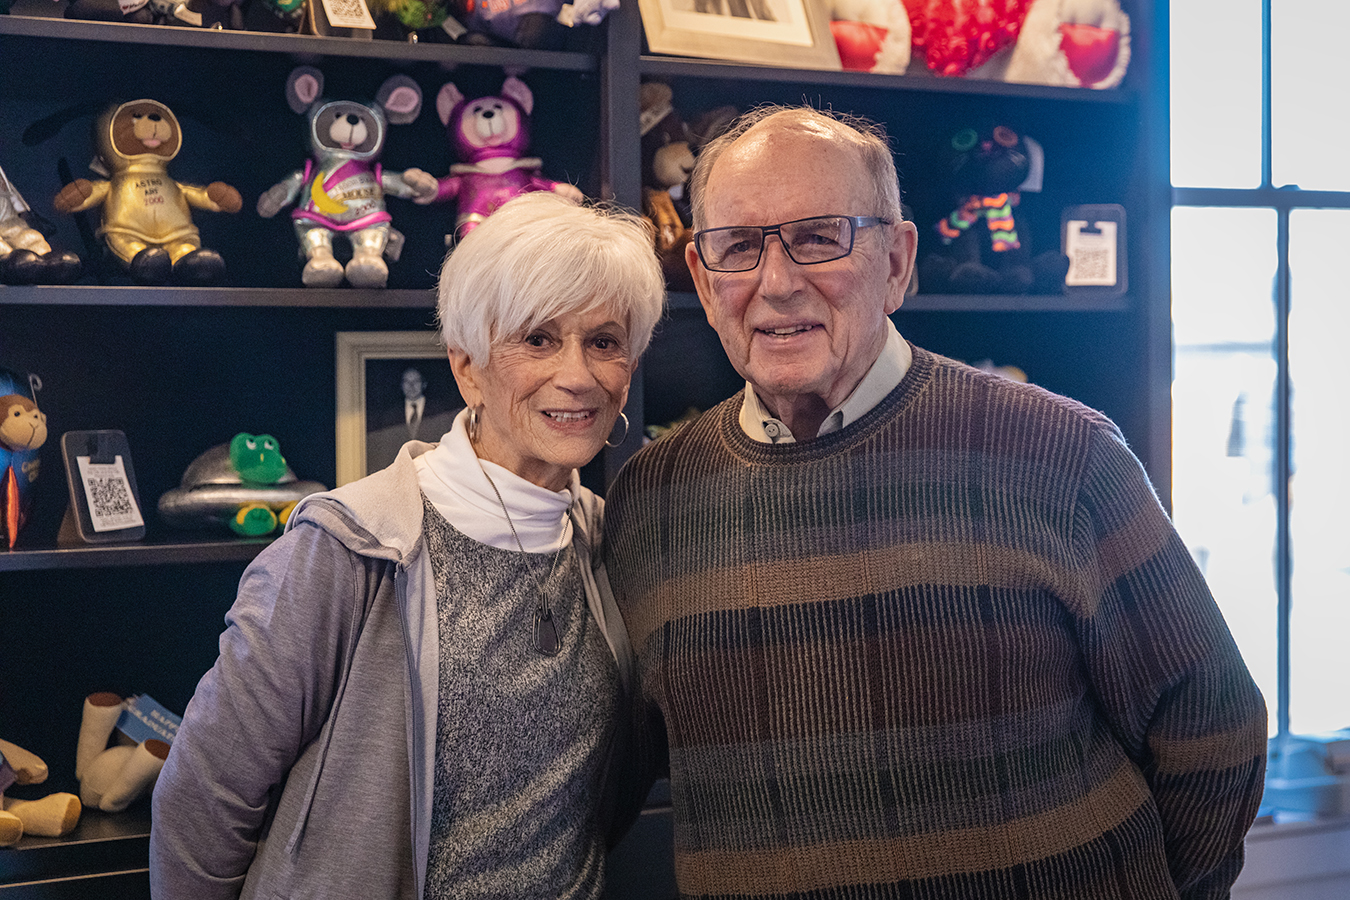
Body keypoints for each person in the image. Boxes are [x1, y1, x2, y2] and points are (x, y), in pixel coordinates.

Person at [603, 105, 1268, 899]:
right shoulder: (652, 499)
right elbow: (606, 775)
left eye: (819, 237)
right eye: (738, 248)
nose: (776, 284)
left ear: (897, 263)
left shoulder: (1062, 455)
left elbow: (1213, 725)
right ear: (706, 286)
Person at [150, 191, 666, 900]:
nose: (576, 375)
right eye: (537, 339)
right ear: (467, 366)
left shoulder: (613, 542)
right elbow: (202, 798)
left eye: (604, 341)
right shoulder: (344, 549)